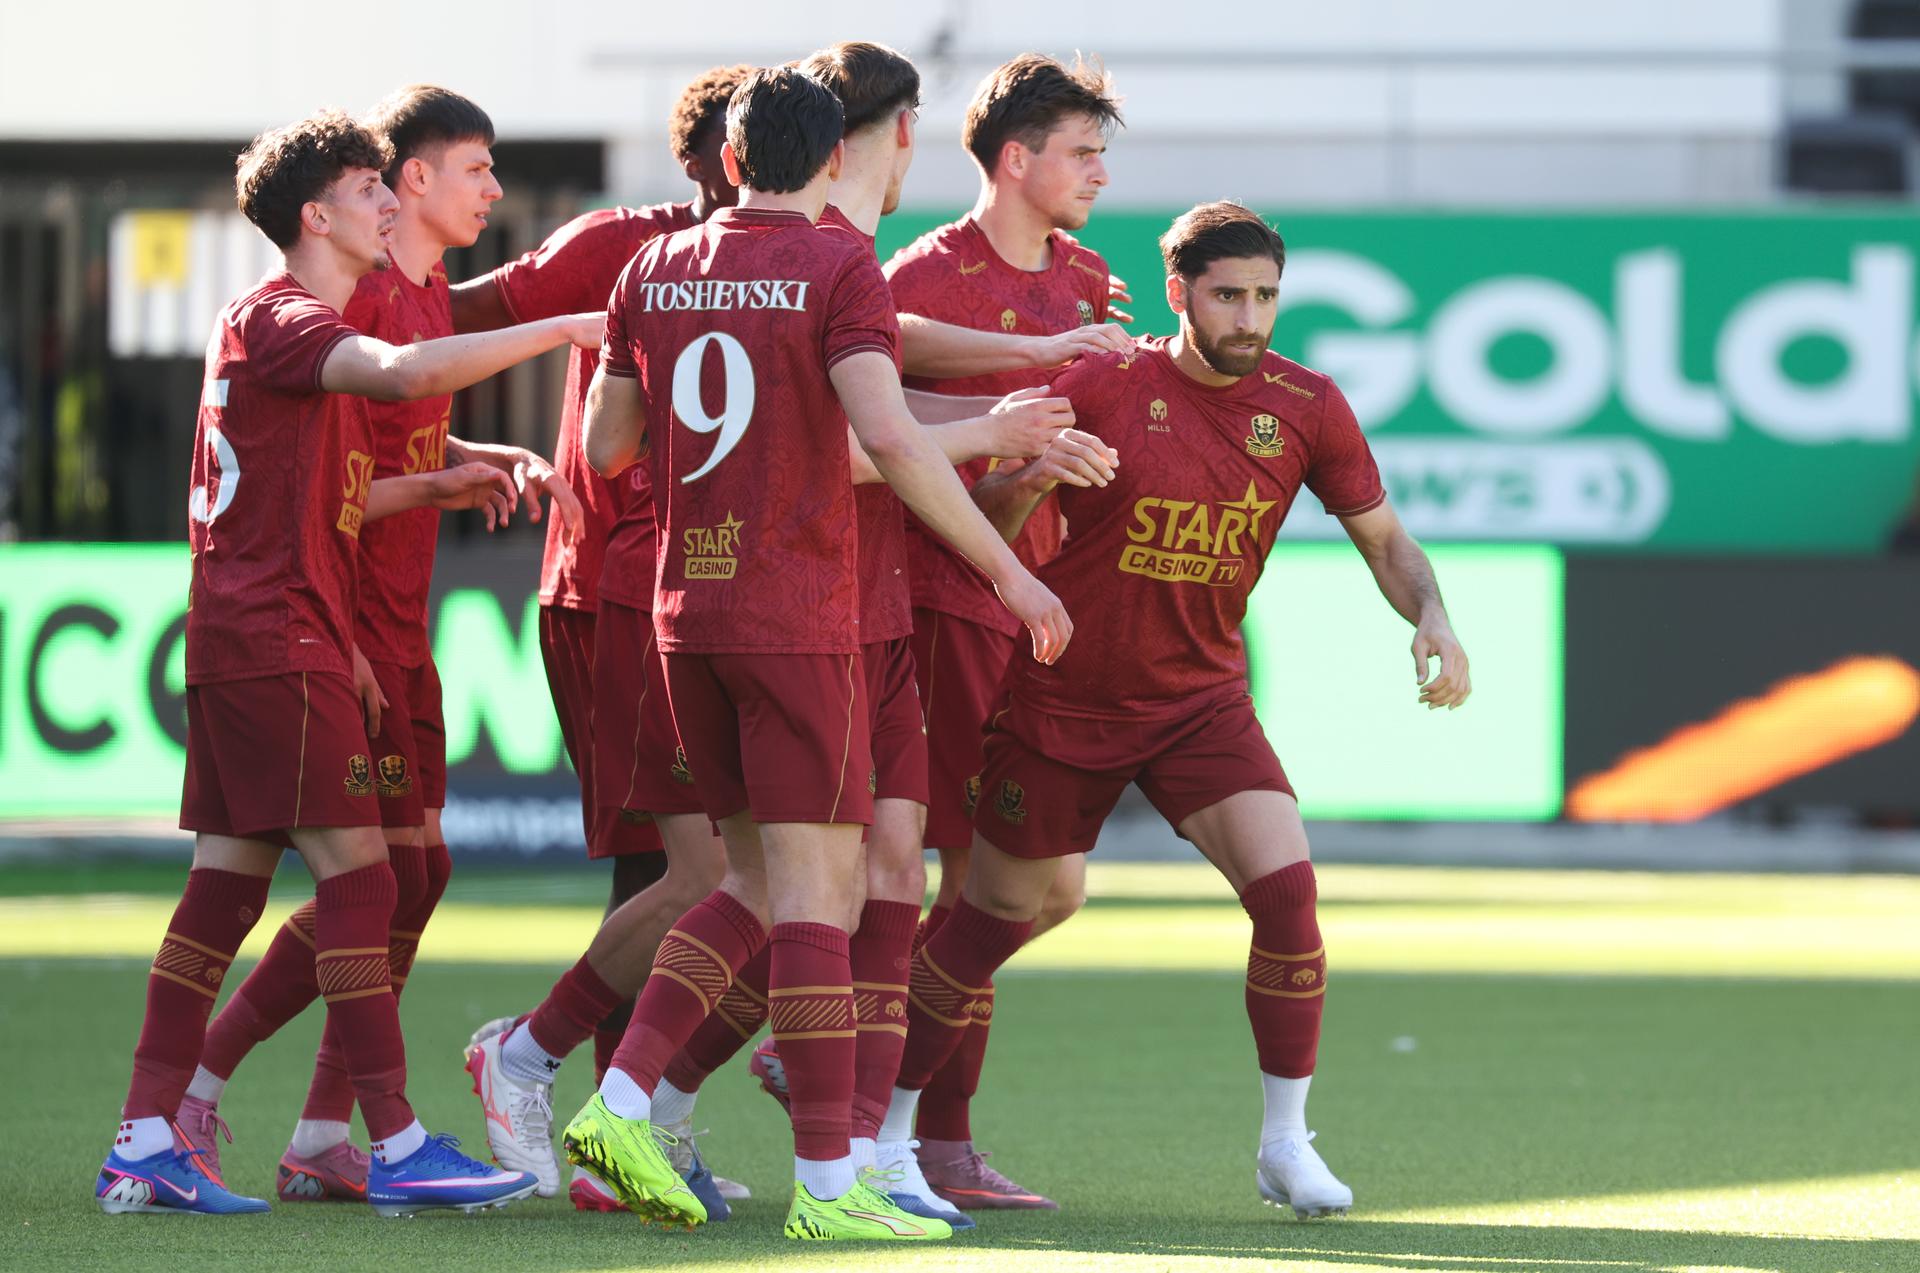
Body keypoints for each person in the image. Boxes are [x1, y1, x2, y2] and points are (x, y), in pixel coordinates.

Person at [559, 65, 1069, 1241]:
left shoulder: (653, 268)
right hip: (799, 616)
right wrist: (1010, 568)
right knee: (811, 895)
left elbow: (606, 448)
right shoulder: (839, 266)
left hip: (690, 613)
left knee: (753, 880)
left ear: (731, 160)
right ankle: (828, 1188)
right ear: (835, 158)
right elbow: (887, 434)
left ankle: (628, 1098)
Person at [887, 201, 1473, 1220]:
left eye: (1266, 296)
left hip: (1201, 700)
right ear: (1179, 295)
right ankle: (882, 1138)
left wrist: (1434, 617)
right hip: (1066, 696)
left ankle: (1287, 1144)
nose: (1251, 317)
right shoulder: (1101, 382)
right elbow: (977, 527)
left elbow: (1387, 542)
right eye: (1228, 295)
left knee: (1287, 891)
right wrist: (1029, 476)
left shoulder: (1308, 404)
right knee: (989, 920)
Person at [95, 109, 600, 1218]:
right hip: (273, 634)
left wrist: (353, 637)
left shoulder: (278, 328)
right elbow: (406, 368)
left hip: (269, 631)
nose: (388, 205)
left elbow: (331, 490)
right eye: (370, 190)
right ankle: (396, 1141)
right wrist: (561, 327)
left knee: (224, 897)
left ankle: (146, 1136)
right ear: (315, 216)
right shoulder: (285, 318)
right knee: (364, 878)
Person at [445, 65, 757, 1214]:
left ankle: (617, 1133)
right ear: (718, 160)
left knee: (694, 871)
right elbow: (458, 314)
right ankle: (533, 1070)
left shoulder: (802, 263)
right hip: (620, 590)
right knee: (707, 871)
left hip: (722, 597)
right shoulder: (621, 243)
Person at [877, 50, 1124, 1211]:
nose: (1099, 175)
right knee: (978, 874)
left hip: (1034, 610)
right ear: (1015, 160)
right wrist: (1019, 456)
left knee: (1040, 886)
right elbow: (902, 463)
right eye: (1082, 153)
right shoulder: (920, 279)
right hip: (939, 603)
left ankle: (900, 1107)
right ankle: (924, 1132)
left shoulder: (1087, 282)